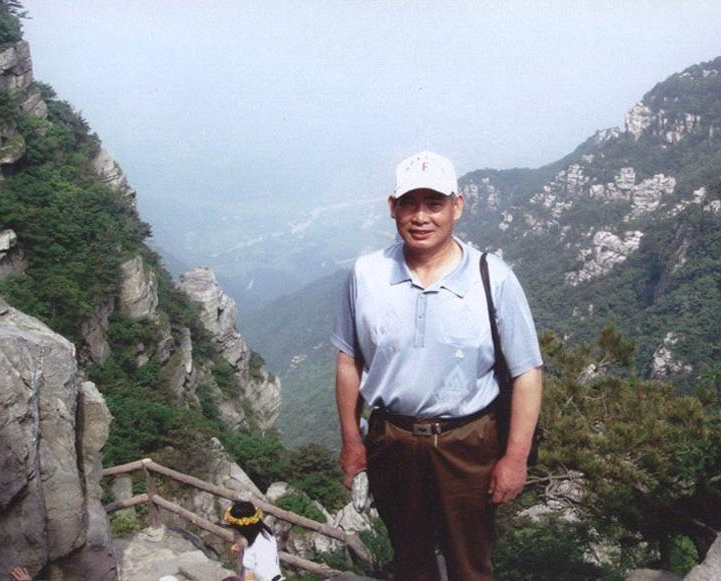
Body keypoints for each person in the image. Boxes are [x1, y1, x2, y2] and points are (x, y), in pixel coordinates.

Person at [332, 150, 543, 580]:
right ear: (392, 207)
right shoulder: (367, 275)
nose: (421, 217)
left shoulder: (493, 277)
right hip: (391, 440)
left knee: (470, 561)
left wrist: (515, 458)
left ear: (456, 206)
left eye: (434, 204)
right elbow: (348, 360)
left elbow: (527, 373)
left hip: (468, 442)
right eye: (409, 203)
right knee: (410, 561)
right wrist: (352, 442)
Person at [224, 500, 284, 581]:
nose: (236, 532)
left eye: (236, 529)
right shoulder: (260, 531)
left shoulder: (262, 549)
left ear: (243, 529)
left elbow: (263, 576)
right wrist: (242, 547)